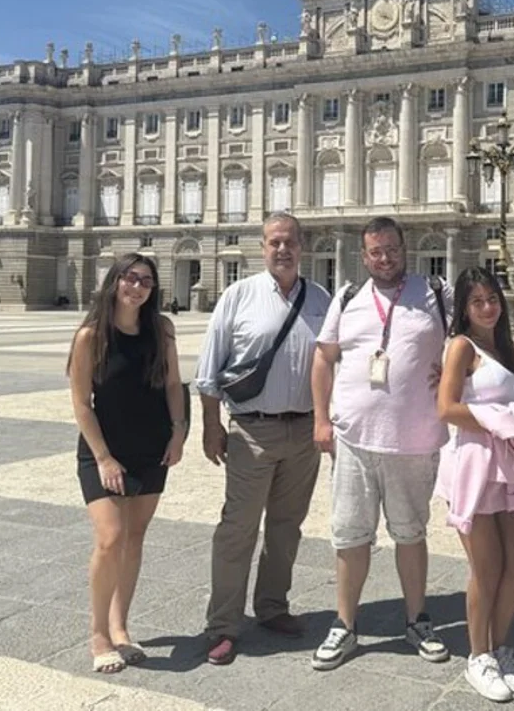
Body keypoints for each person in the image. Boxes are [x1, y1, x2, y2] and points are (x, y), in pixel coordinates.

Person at [310, 216, 452, 671]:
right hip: (354, 440)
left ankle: (417, 620)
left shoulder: (436, 293)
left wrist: (454, 371)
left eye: (391, 249)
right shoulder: (348, 297)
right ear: (364, 254)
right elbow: (323, 357)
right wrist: (320, 420)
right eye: (375, 251)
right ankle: (345, 625)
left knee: (411, 533)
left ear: (403, 248)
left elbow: (477, 342)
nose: (384, 258)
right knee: (350, 535)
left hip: (414, 440)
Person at [195, 213, 331, 666]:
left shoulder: (321, 298)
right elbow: (209, 370)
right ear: (262, 247)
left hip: (304, 431)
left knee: (286, 527)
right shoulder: (239, 295)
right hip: (252, 429)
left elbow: (336, 364)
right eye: (274, 242)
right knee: (238, 528)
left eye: (290, 241)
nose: (282, 250)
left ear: (302, 245)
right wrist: (211, 426)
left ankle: (272, 606)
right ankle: (223, 624)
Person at [67, 252, 187, 674]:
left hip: (152, 446)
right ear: (115, 281)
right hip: (105, 450)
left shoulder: (162, 329)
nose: (137, 287)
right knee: (110, 538)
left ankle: (120, 627)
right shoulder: (91, 336)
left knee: (135, 538)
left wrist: (178, 432)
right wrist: (102, 457)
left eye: (147, 282)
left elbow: (173, 384)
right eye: (130, 278)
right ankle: (98, 633)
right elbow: (82, 404)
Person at [435, 267, 514, 702]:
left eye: (492, 298)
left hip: (511, 464)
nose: (487, 307)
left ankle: (501, 649)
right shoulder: (461, 346)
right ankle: (477, 656)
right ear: (463, 307)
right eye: (477, 301)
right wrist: (501, 421)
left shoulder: (508, 348)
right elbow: (446, 408)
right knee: (487, 567)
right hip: (475, 463)